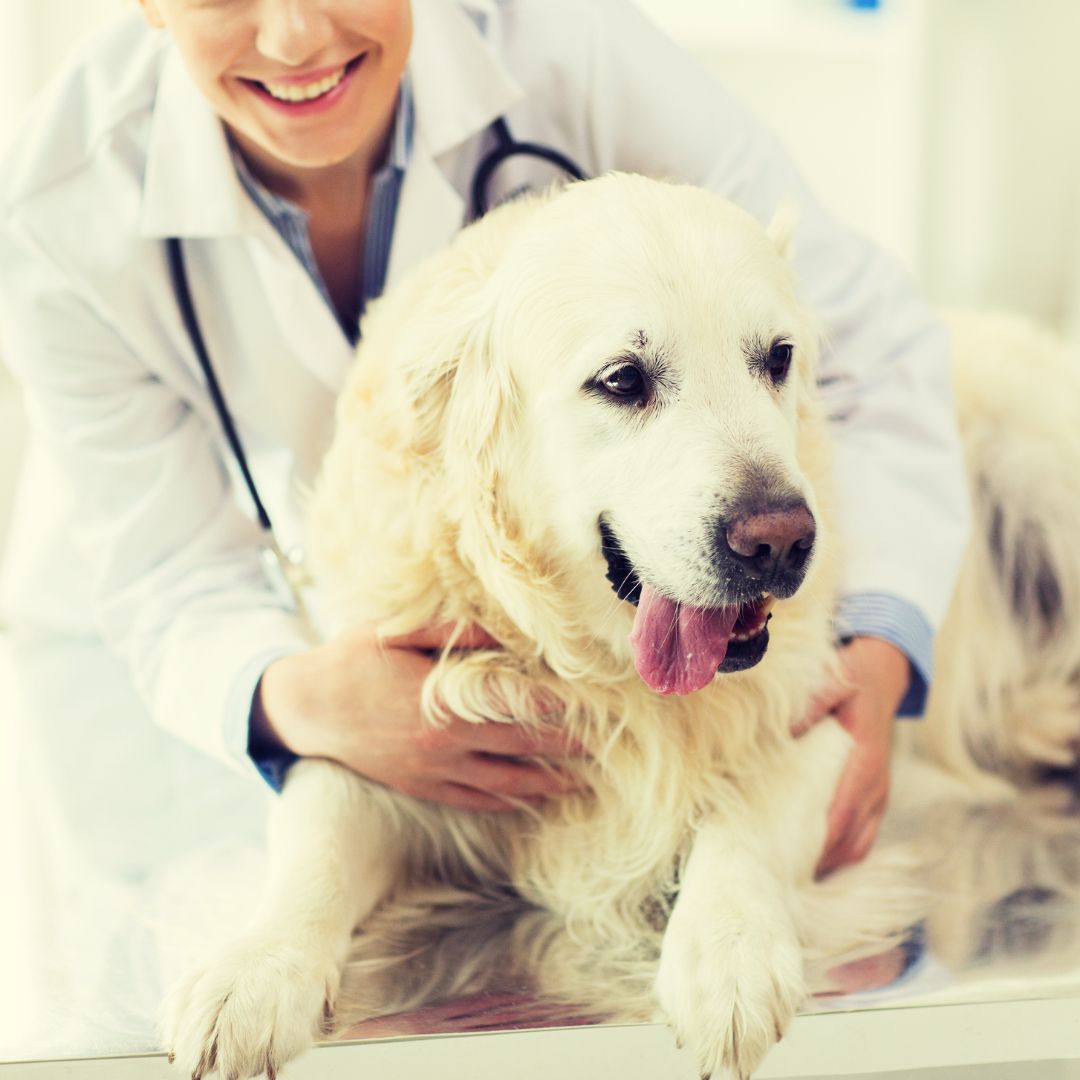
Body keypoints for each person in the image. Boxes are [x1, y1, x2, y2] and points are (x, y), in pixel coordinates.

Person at [0, 0, 968, 1055]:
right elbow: (169, 572)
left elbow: (864, 334)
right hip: (143, 669)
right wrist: (295, 697)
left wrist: (871, 653)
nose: (294, 39)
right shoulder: (57, 203)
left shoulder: (575, 53)